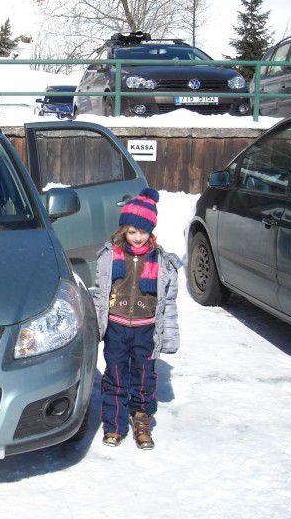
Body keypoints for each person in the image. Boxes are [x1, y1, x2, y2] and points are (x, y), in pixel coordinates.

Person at [93, 188, 181, 450]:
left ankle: (142, 423)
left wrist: (169, 335)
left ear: (151, 231)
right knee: (115, 377)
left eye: (143, 232)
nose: (138, 237)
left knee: (144, 379)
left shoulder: (161, 261)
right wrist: (96, 326)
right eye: (132, 232)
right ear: (124, 231)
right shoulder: (110, 256)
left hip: (146, 330)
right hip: (116, 328)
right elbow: (100, 293)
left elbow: (169, 302)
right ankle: (114, 426)